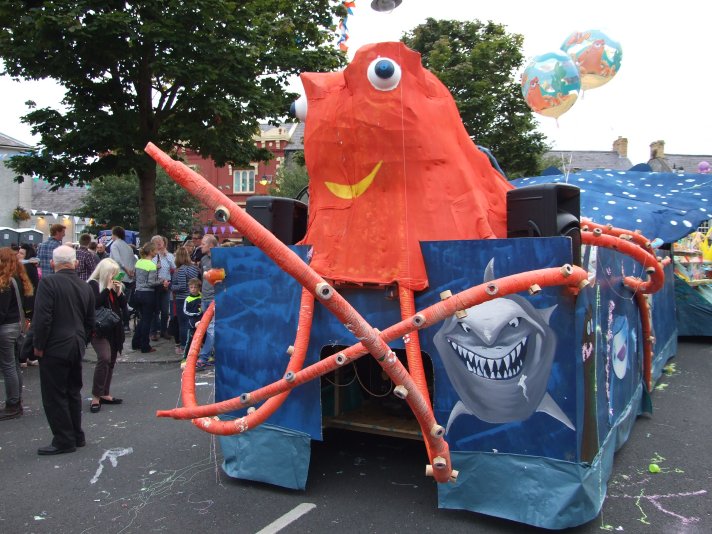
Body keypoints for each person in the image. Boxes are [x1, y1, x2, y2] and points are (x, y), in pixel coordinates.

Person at [33, 245, 95, 455]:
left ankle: (63, 439)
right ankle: (76, 435)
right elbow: (90, 321)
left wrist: (38, 345)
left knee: (54, 395)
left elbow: (42, 318)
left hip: (55, 345)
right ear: (75, 263)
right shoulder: (85, 286)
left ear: (52, 263)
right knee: (72, 391)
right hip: (76, 344)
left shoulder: (48, 283)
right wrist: (82, 340)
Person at [87, 259, 126, 413]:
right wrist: (107, 289)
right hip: (100, 329)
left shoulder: (114, 287)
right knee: (104, 358)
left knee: (111, 361)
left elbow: (123, 306)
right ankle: (96, 396)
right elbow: (95, 303)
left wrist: (119, 292)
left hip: (114, 329)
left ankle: (105, 392)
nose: (115, 276)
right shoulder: (93, 284)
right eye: (112, 273)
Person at [0, 247, 34, 420]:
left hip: (6, 328)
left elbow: (2, 311)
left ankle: (13, 404)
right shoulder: (18, 278)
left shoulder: (5, 282)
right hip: (15, 326)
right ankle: (16, 401)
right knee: (13, 365)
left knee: (9, 366)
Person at [131, 242, 164, 353]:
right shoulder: (151, 265)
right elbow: (151, 283)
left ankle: (136, 342)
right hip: (147, 295)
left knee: (142, 320)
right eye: (155, 250)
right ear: (151, 252)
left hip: (138, 293)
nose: (156, 252)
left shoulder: (139, 262)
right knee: (147, 321)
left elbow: (136, 278)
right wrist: (161, 281)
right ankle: (145, 346)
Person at [171, 246, 200, 356]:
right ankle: (194, 346)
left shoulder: (181, 270)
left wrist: (170, 286)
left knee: (183, 324)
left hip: (183, 299)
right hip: (195, 298)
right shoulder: (194, 268)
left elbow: (182, 286)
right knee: (192, 323)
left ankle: (184, 346)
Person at [109, 226, 137, 332]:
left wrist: (126, 269)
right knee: (125, 302)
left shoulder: (115, 245)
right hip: (129, 277)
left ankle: (120, 324)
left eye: (112, 234)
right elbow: (133, 260)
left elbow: (117, 260)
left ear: (115, 234)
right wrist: (131, 271)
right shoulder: (128, 246)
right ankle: (126, 324)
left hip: (119, 275)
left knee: (117, 302)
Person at [196, 234, 218, 369]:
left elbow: (223, 276)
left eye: (203, 244)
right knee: (209, 329)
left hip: (214, 299)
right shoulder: (203, 259)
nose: (200, 246)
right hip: (205, 297)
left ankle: (203, 358)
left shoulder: (219, 258)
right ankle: (214, 355)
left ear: (211, 245)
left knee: (211, 329)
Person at [150, 235, 175, 341]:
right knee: (155, 310)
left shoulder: (169, 255)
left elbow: (174, 267)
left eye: (161, 241)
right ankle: (153, 331)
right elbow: (148, 269)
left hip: (166, 285)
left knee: (165, 310)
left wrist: (167, 256)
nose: (159, 243)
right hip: (155, 285)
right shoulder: (151, 255)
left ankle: (164, 330)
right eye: (157, 242)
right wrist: (155, 267)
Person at [181, 278, 203, 369]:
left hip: (201, 322)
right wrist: (195, 314)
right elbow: (185, 311)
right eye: (191, 287)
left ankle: (206, 356)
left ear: (199, 288)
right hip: (192, 323)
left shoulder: (201, 297)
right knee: (189, 341)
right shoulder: (188, 299)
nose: (193, 289)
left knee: (204, 339)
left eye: (195, 287)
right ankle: (185, 358)